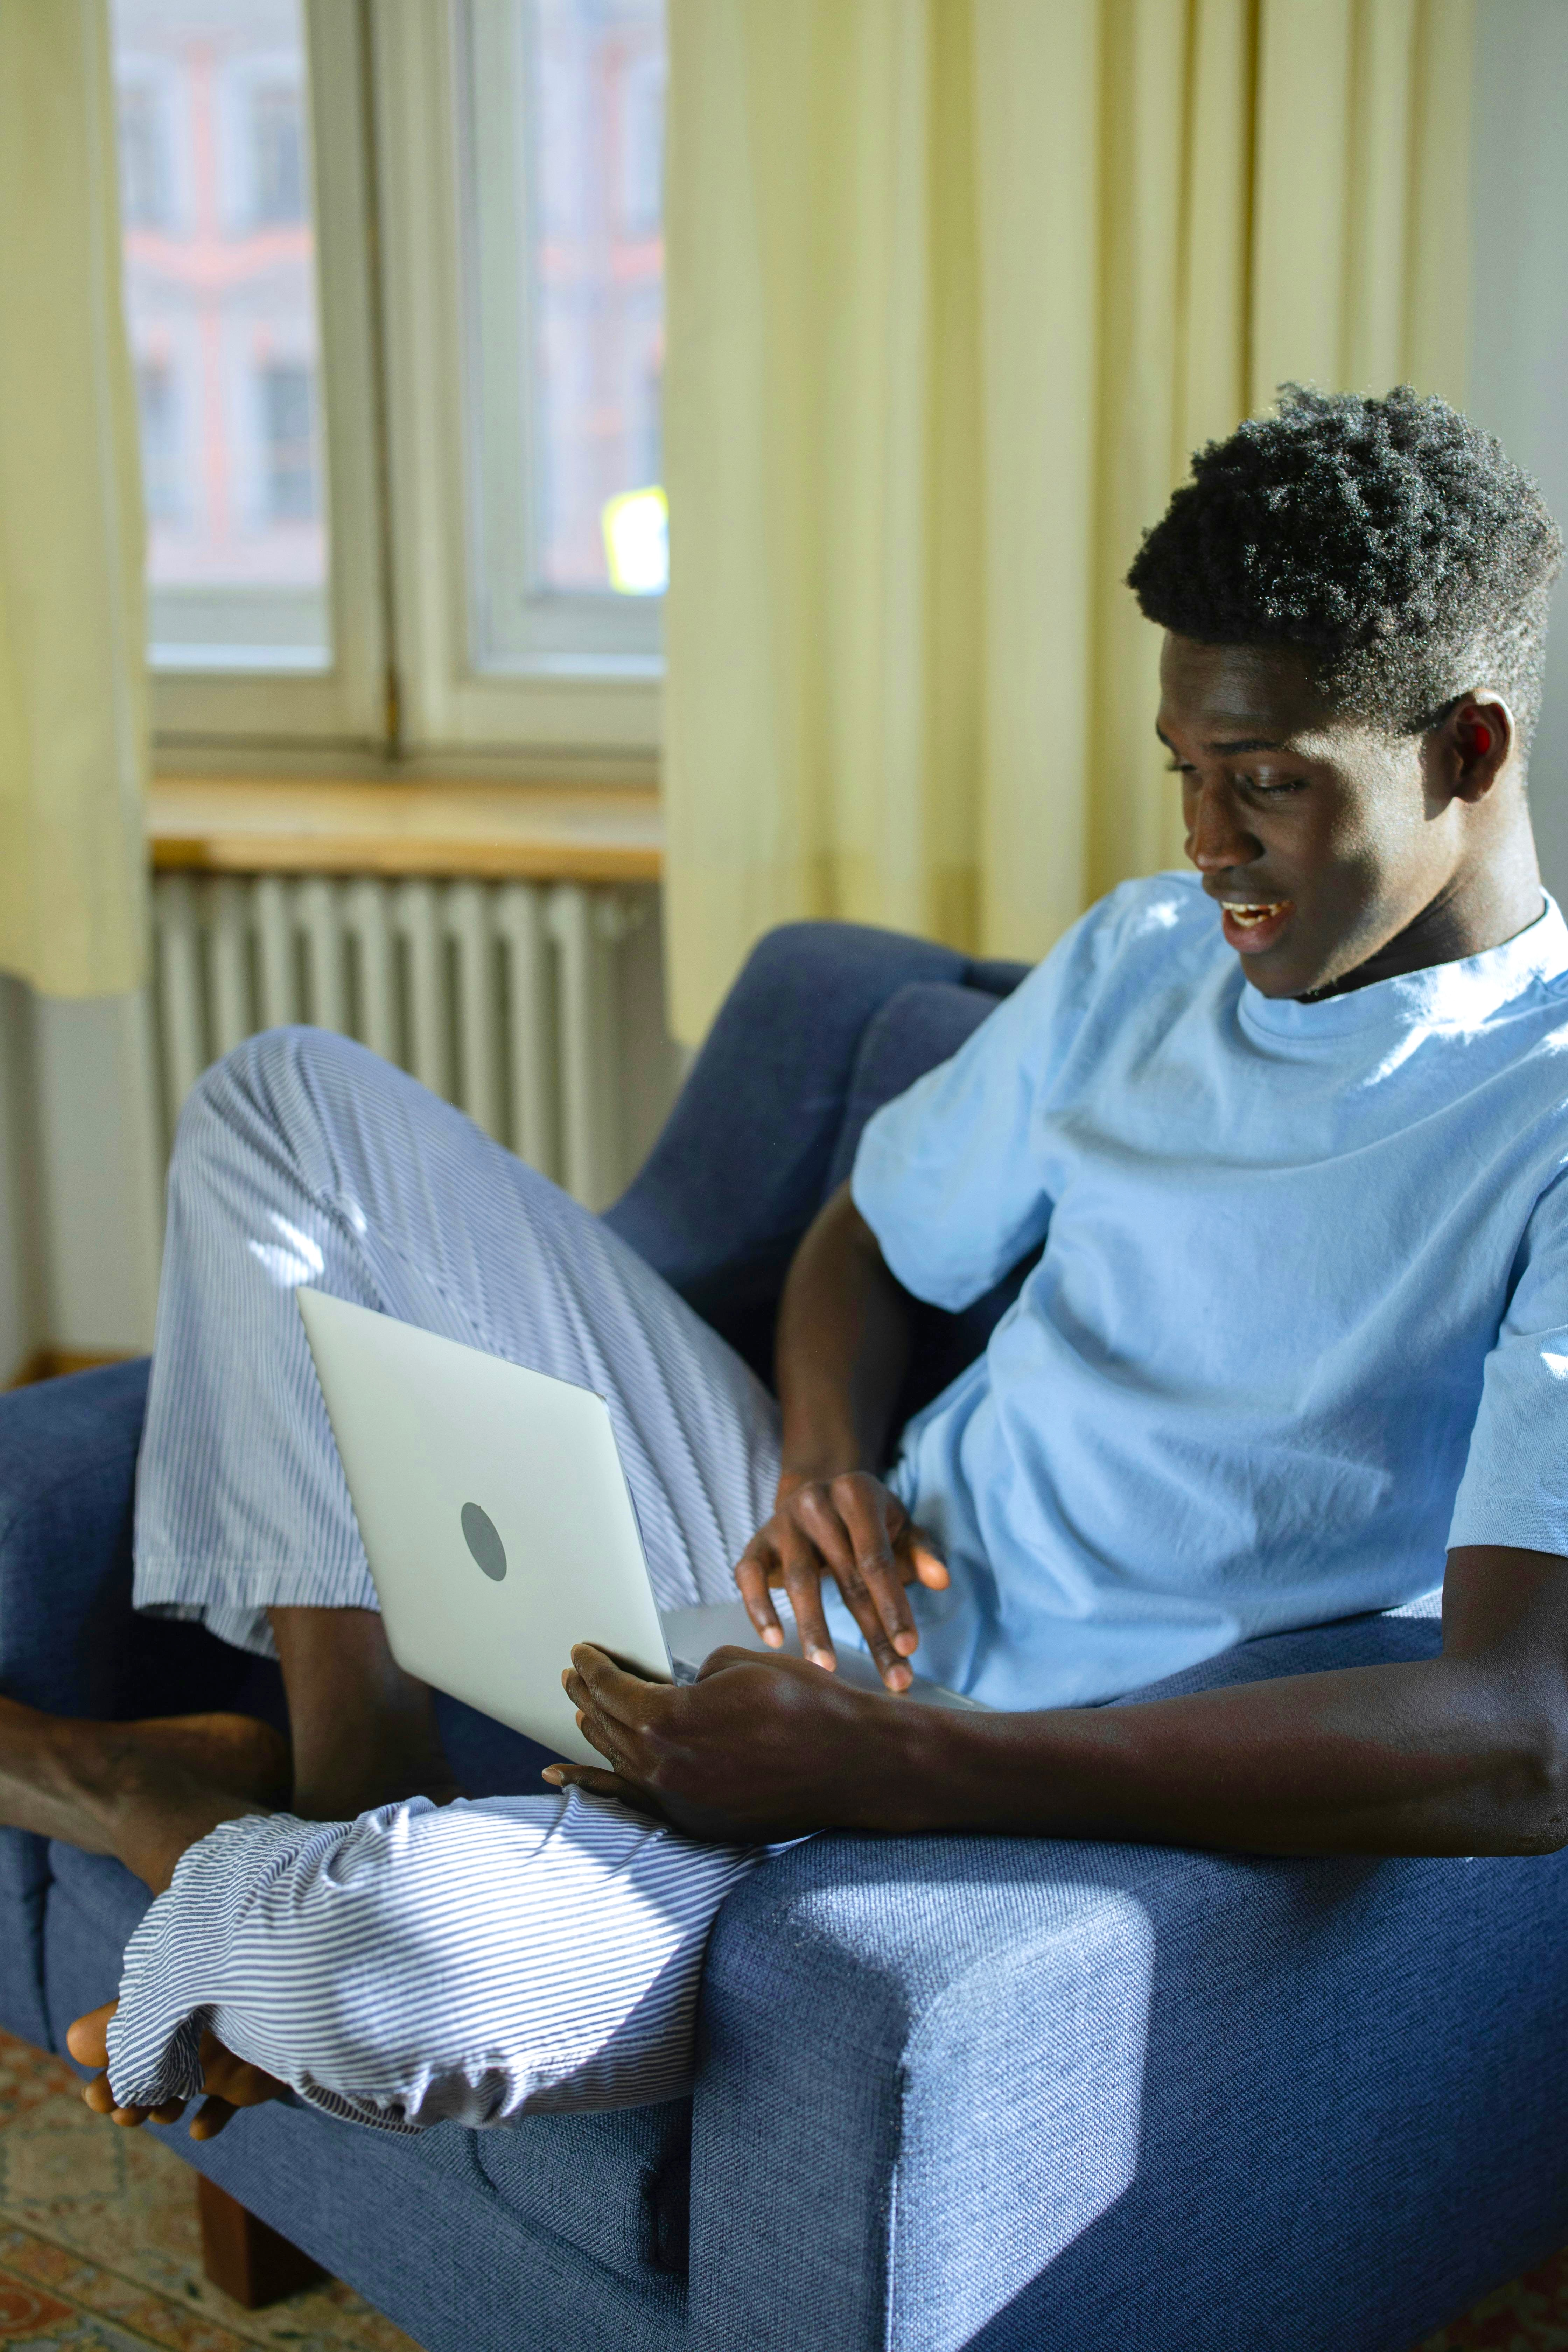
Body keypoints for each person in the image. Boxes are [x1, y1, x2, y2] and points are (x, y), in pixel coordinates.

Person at [4, 384, 1567, 2142]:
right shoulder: (1146, 954)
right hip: (817, 1580)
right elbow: (864, 1239)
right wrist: (823, 1459)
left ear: (1471, 750)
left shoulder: (1545, 1116)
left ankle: (158, 1815)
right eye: (1185, 775)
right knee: (280, 1099)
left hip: (963, 1784)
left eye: (1268, 786)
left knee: (391, 1973)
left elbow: (1522, 1736)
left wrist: (889, 1766)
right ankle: (337, 1772)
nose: (1206, 847)